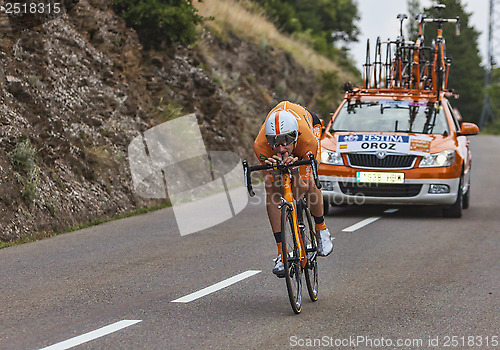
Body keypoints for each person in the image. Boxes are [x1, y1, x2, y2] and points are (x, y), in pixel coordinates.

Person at [253, 101, 334, 277]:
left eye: (286, 142)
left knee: (311, 183)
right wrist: (275, 174)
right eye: (275, 143)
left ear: (295, 136)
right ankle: (282, 253)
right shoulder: (261, 146)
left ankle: (321, 228)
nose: (281, 149)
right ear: (269, 140)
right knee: (270, 188)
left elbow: (299, 193)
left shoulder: (307, 142)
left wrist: (296, 172)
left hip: (309, 124)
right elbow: (277, 188)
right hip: (286, 135)